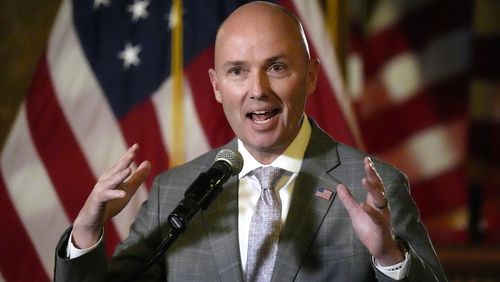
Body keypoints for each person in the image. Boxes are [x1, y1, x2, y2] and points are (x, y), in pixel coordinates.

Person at [55, 2, 447, 281]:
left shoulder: (378, 188)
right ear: (216, 87)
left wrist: (389, 258)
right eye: (238, 72)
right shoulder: (174, 192)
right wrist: (86, 233)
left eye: (276, 67)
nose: (257, 90)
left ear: (311, 76)